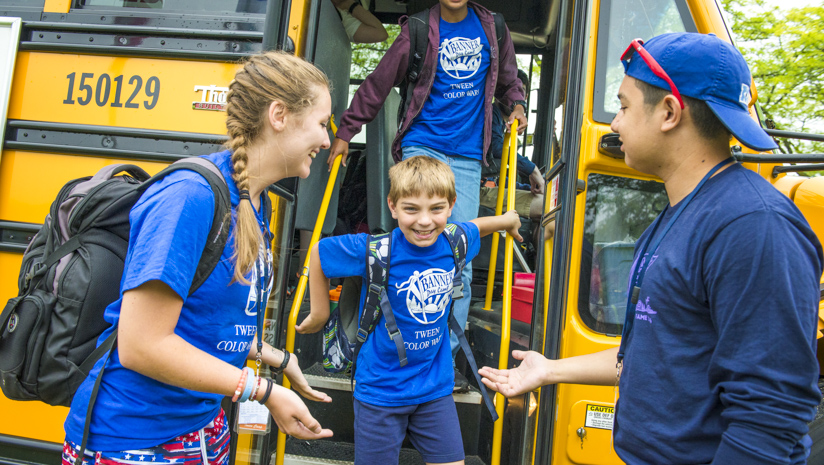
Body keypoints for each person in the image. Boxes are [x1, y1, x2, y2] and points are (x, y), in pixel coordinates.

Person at [479, 32, 824, 464]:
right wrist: (549, 369)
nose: (615, 124)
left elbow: (770, 418)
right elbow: (652, 353)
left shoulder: (753, 227)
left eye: (623, 106)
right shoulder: (675, 216)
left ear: (669, 112)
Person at [62, 51, 335, 465]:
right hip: (136, 440)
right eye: (321, 123)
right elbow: (142, 344)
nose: (327, 140)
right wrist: (262, 390)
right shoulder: (191, 195)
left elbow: (205, 324)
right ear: (279, 115)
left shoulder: (251, 200)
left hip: (201, 429)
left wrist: (279, 358)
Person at [329, 0, 528, 392]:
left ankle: (441, 361)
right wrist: (345, 131)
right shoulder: (418, 30)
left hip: (469, 154)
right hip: (424, 145)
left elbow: (508, 81)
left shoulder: (493, 28)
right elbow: (378, 83)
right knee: (414, 248)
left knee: (460, 260)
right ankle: (391, 350)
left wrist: (517, 104)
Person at [297, 156, 522, 464]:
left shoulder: (455, 240)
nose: (425, 221)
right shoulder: (376, 249)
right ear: (393, 206)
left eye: (437, 209)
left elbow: (479, 226)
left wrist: (509, 220)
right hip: (381, 390)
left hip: (434, 387)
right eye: (411, 209)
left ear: (451, 205)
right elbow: (319, 253)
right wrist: (320, 313)